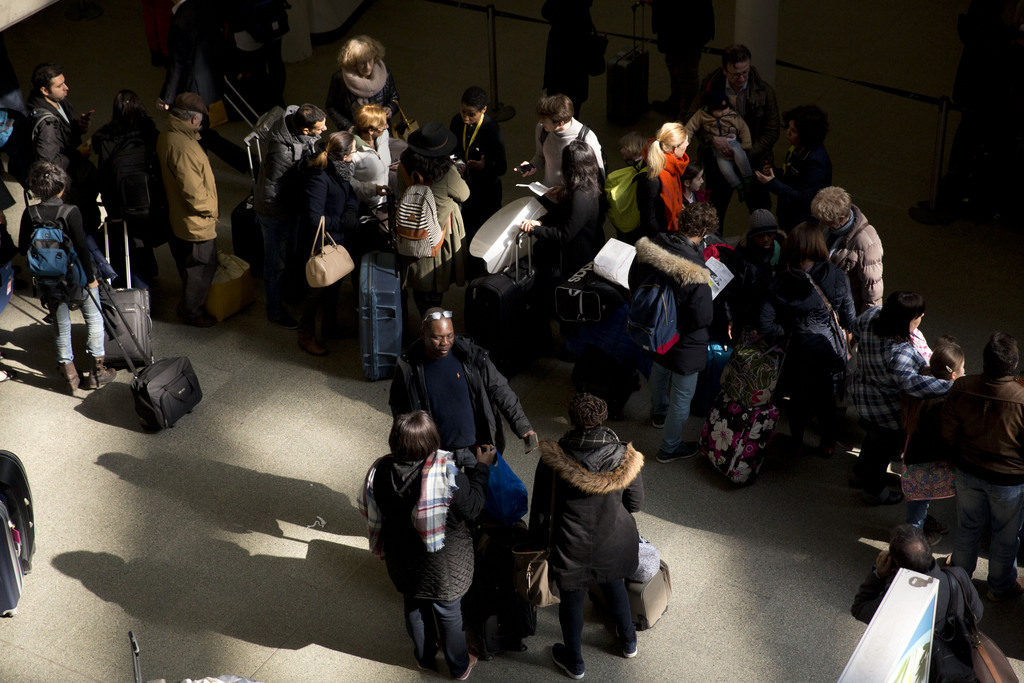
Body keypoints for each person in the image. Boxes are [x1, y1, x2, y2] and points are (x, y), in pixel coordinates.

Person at [359, 410, 494, 679]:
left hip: (402, 559)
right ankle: (458, 665)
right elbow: (474, 507)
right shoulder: (448, 474)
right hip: (445, 565)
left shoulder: (381, 470)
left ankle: (424, 657)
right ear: (431, 441)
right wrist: (482, 468)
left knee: (414, 606)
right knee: (449, 613)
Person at [529, 393, 644, 679]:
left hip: (571, 544)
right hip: (614, 540)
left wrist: (537, 541)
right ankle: (628, 641)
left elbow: (541, 510)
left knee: (572, 598)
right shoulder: (624, 457)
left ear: (571, 419)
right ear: (602, 419)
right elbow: (635, 504)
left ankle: (575, 662)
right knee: (614, 583)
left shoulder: (553, 460)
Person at [390, 307, 537, 467]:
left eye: (450, 335)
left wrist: (522, 426)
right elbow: (400, 411)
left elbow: (501, 390)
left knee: (480, 490)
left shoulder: (472, 357)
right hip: (437, 456)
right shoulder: (408, 368)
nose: (445, 343)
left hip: (477, 452)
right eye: (437, 338)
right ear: (423, 334)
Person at [759, 222, 856, 456]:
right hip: (829, 351)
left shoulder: (780, 282)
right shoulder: (837, 276)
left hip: (799, 353)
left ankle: (797, 441)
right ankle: (828, 444)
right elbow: (850, 318)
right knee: (827, 401)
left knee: (798, 399)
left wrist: (789, 331)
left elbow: (765, 324)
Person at [18, 161, 115, 393]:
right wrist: (91, 278)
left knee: (61, 325)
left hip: (49, 281)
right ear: (61, 188)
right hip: (77, 278)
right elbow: (82, 248)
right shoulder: (70, 212)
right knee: (94, 319)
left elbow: (23, 248)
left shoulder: (30, 213)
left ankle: (70, 375)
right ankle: (96, 372)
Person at [628, 203, 714, 462]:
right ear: (704, 231)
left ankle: (657, 414)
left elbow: (633, 279)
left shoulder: (652, 247)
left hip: (657, 330)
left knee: (660, 370)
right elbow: (702, 317)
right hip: (685, 340)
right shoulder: (695, 271)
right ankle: (670, 446)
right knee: (682, 395)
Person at [942, 332, 1024, 601]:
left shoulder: (962, 387)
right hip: (1008, 481)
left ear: (985, 360)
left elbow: (948, 430)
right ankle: (1000, 588)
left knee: (967, 526)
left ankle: (958, 582)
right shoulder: (1021, 398)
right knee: (1005, 535)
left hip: (967, 470)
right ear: (1013, 365)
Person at [850, 292, 953, 505]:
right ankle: (875, 491)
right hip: (885, 411)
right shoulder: (899, 352)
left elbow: (855, 329)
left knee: (872, 437)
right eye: (918, 315)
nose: (922, 317)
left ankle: (860, 471)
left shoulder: (872, 315)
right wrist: (952, 386)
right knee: (882, 452)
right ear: (905, 320)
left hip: (862, 395)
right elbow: (912, 383)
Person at [686, 44, 780, 226]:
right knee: (714, 214)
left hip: (754, 162)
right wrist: (712, 139)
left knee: (761, 213)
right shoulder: (711, 86)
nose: (742, 78)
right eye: (736, 74)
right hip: (717, 162)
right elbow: (691, 117)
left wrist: (743, 153)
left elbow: (772, 131)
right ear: (725, 70)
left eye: (746, 72)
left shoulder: (764, 92)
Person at [254, 103, 327, 329]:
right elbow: (270, 193)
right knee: (275, 264)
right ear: (305, 130)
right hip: (275, 214)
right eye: (320, 128)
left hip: (288, 208)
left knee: (290, 254)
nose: (324, 130)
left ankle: (290, 294)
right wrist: (285, 217)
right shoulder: (281, 152)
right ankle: (274, 311)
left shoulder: (297, 129)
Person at [158, 0, 247, 173]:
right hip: (211, 81)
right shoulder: (205, 6)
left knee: (199, 133)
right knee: (201, 131)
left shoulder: (179, 22)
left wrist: (166, 97)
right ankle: (241, 162)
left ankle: (205, 167)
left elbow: (177, 66)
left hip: (193, 89)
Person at [851, 524, 982, 637]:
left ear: (896, 562)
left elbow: (859, 608)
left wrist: (878, 575)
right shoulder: (958, 576)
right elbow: (977, 613)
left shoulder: (894, 602)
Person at [156, 92, 219, 328]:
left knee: (189, 262)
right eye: (201, 118)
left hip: (180, 216)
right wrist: (211, 211)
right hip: (196, 220)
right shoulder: (184, 147)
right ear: (193, 119)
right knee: (201, 266)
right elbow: (193, 192)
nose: (202, 122)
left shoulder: (169, 136)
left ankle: (190, 305)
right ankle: (191, 311)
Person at [397, 123, 470, 317]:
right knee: (435, 287)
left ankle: (425, 319)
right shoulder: (446, 173)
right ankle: (433, 321)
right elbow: (464, 194)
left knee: (420, 287)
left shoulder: (404, 167)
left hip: (413, 231)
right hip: (438, 237)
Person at [297, 131, 359, 356]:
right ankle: (305, 334)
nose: (355, 155)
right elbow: (314, 218)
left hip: (337, 239)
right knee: (317, 290)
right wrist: (341, 221)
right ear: (343, 156)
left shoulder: (341, 169)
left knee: (334, 284)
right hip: (321, 242)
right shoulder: (319, 177)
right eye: (353, 151)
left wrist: (351, 210)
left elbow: (349, 193)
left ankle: (329, 326)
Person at [92, 89, 162, 287]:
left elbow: (105, 176)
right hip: (148, 199)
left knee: (127, 243)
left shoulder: (106, 137)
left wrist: (111, 208)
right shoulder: (149, 131)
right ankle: (150, 271)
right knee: (145, 237)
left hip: (122, 203)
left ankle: (139, 286)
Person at [25, 63, 101, 232]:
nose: (66, 88)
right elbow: (50, 164)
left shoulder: (59, 103)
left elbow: (63, 133)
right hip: (70, 188)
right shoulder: (46, 124)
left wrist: (77, 127)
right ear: (45, 90)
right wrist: (78, 154)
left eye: (64, 82)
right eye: (59, 86)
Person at [901, 340, 964, 539]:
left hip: (913, 462)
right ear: (953, 375)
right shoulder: (946, 405)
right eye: (963, 368)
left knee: (917, 507)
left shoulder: (919, 388)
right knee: (917, 517)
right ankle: (911, 552)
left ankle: (913, 534)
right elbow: (945, 440)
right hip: (930, 466)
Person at [518, 140, 605, 284]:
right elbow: (563, 211)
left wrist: (535, 230)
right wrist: (541, 221)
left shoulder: (580, 195)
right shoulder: (590, 183)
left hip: (578, 260)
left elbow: (564, 235)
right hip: (589, 248)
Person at [755, 104, 832, 231]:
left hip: (803, 225)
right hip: (788, 217)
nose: (788, 133)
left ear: (806, 135)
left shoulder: (816, 162)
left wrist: (773, 183)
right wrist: (775, 173)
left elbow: (806, 198)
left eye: (794, 131)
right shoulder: (799, 147)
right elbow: (792, 177)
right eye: (789, 128)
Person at [810, 186, 883, 314]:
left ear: (841, 218)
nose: (822, 223)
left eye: (826, 221)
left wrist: (865, 322)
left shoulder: (867, 243)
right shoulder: (827, 225)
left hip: (846, 308)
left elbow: (872, 289)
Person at [449, 86, 507, 246]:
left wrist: (484, 166)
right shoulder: (456, 122)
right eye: (463, 112)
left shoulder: (492, 130)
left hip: (487, 193)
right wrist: (458, 163)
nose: (466, 118)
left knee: (487, 235)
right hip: (465, 188)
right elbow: (453, 151)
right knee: (467, 232)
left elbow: (502, 167)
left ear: (484, 110)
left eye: (471, 114)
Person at [518, 94, 603, 189]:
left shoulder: (586, 139)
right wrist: (532, 165)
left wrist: (565, 191)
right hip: (547, 192)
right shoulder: (542, 129)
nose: (540, 122)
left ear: (560, 123)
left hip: (572, 199)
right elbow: (540, 156)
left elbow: (596, 177)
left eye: (544, 120)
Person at [647, 0, 715, 119]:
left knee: (687, 73)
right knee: (673, 63)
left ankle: (687, 117)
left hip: (688, 28)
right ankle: (676, 101)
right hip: (673, 26)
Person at [683, 90, 754, 196]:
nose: (724, 112)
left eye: (726, 108)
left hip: (733, 142)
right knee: (725, 170)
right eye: (720, 110)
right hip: (717, 149)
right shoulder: (702, 115)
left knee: (741, 157)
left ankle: (748, 181)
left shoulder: (732, 115)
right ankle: (738, 186)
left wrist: (746, 145)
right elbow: (690, 127)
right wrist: (684, 142)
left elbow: (743, 129)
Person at [325, 35, 399, 133]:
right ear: (353, 63)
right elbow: (331, 106)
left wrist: (391, 107)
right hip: (355, 133)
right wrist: (347, 126)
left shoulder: (385, 74)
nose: (367, 66)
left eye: (370, 61)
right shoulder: (340, 79)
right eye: (362, 63)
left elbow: (394, 98)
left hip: (381, 131)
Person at [727, 209, 781, 335]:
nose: (766, 239)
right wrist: (730, 317)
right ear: (752, 236)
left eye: (770, 234)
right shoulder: (741, 255)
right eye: (760, 236)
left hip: (775, 315)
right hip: (748, 316)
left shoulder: (784, 251)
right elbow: (731, 290)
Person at [541, 0, 596, 116]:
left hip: (558, 68)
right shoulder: (582, 12)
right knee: (572, 108)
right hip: (576, 71)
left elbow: (546, 11)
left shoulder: (561, 9)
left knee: (557, 109)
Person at [637, 122, 690, 236]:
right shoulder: (652, 178)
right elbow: (649, 218)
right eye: (685, 142)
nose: (688, 144)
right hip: (659, 237)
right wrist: (664, 241)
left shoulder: (672, 166)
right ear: (675, 149)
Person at [350, 103, 393, 219]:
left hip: (384, 202)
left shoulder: (383, 135)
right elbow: (347, 182)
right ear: (370, 131)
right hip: (366, 208)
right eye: (382, 125)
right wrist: (371, 190)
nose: (387, 126)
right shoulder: (351, 152)